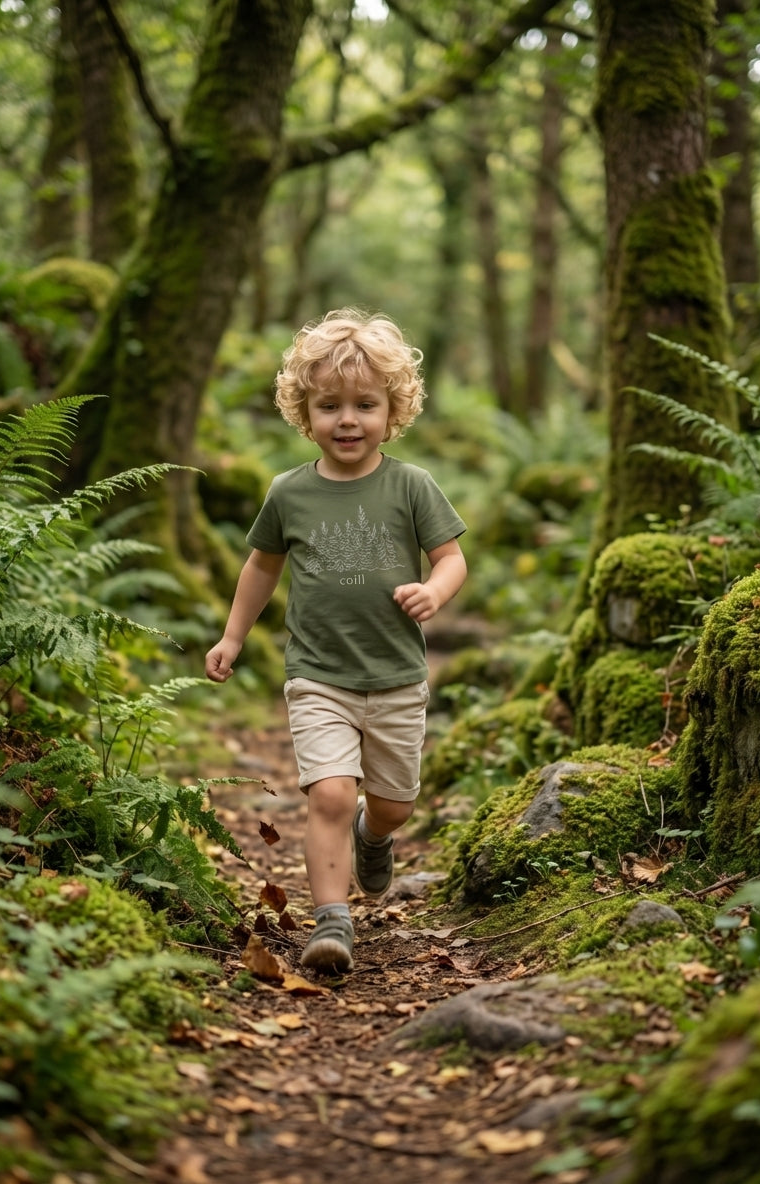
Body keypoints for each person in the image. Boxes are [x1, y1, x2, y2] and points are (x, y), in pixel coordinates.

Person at [205, 308, 467, 974]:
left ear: (392, 409)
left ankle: (371, 838)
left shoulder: (411, 485)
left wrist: (435, 592)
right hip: (318, 675)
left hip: (396, 676)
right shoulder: (288, 493)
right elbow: (261, 567)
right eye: (329, 406)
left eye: (364, 405)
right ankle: (331, 921)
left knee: (394, 806)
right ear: (305, 412)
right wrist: (233, 637)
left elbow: (451, 558)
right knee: (328, 794)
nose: (347, 420)